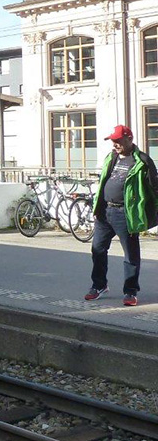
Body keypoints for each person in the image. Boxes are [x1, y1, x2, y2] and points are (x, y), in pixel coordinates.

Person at [85, 125, 158, 307]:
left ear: (129, 138)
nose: (115, 144)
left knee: (130, 255)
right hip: (104, 212)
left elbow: (155, 189)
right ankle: (99, 285)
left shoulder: (142, 161)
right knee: (98, 250)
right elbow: (103, 182)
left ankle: (130, 291)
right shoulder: (112, 157)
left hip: (125, 214)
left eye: (118, 140)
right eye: (113, 140)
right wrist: (97, 208)